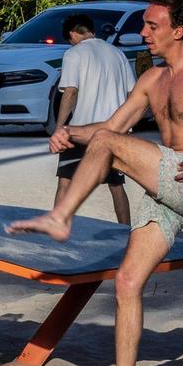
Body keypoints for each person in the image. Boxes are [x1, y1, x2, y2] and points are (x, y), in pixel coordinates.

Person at [7, 0, 183, 366]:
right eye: (144, 25)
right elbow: (111, 126)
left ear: (178, 31)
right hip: (166, 185)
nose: (143, 33)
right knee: (126, 282)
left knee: (109, 144)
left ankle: (61, 216)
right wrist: (69, 132)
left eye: (153, 26)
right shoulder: (152, 79)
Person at [53, 14, 136, 224]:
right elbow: (132, 93)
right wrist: (127, 125)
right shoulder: (117, 53)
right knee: (116, 186)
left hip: (82, 130)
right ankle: (125, 231)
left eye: (69, 39)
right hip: (113, 132)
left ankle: (56, 227)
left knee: (65, 181)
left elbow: (70, 92)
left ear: (73, 34)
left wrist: (59, 128)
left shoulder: (74, 53)